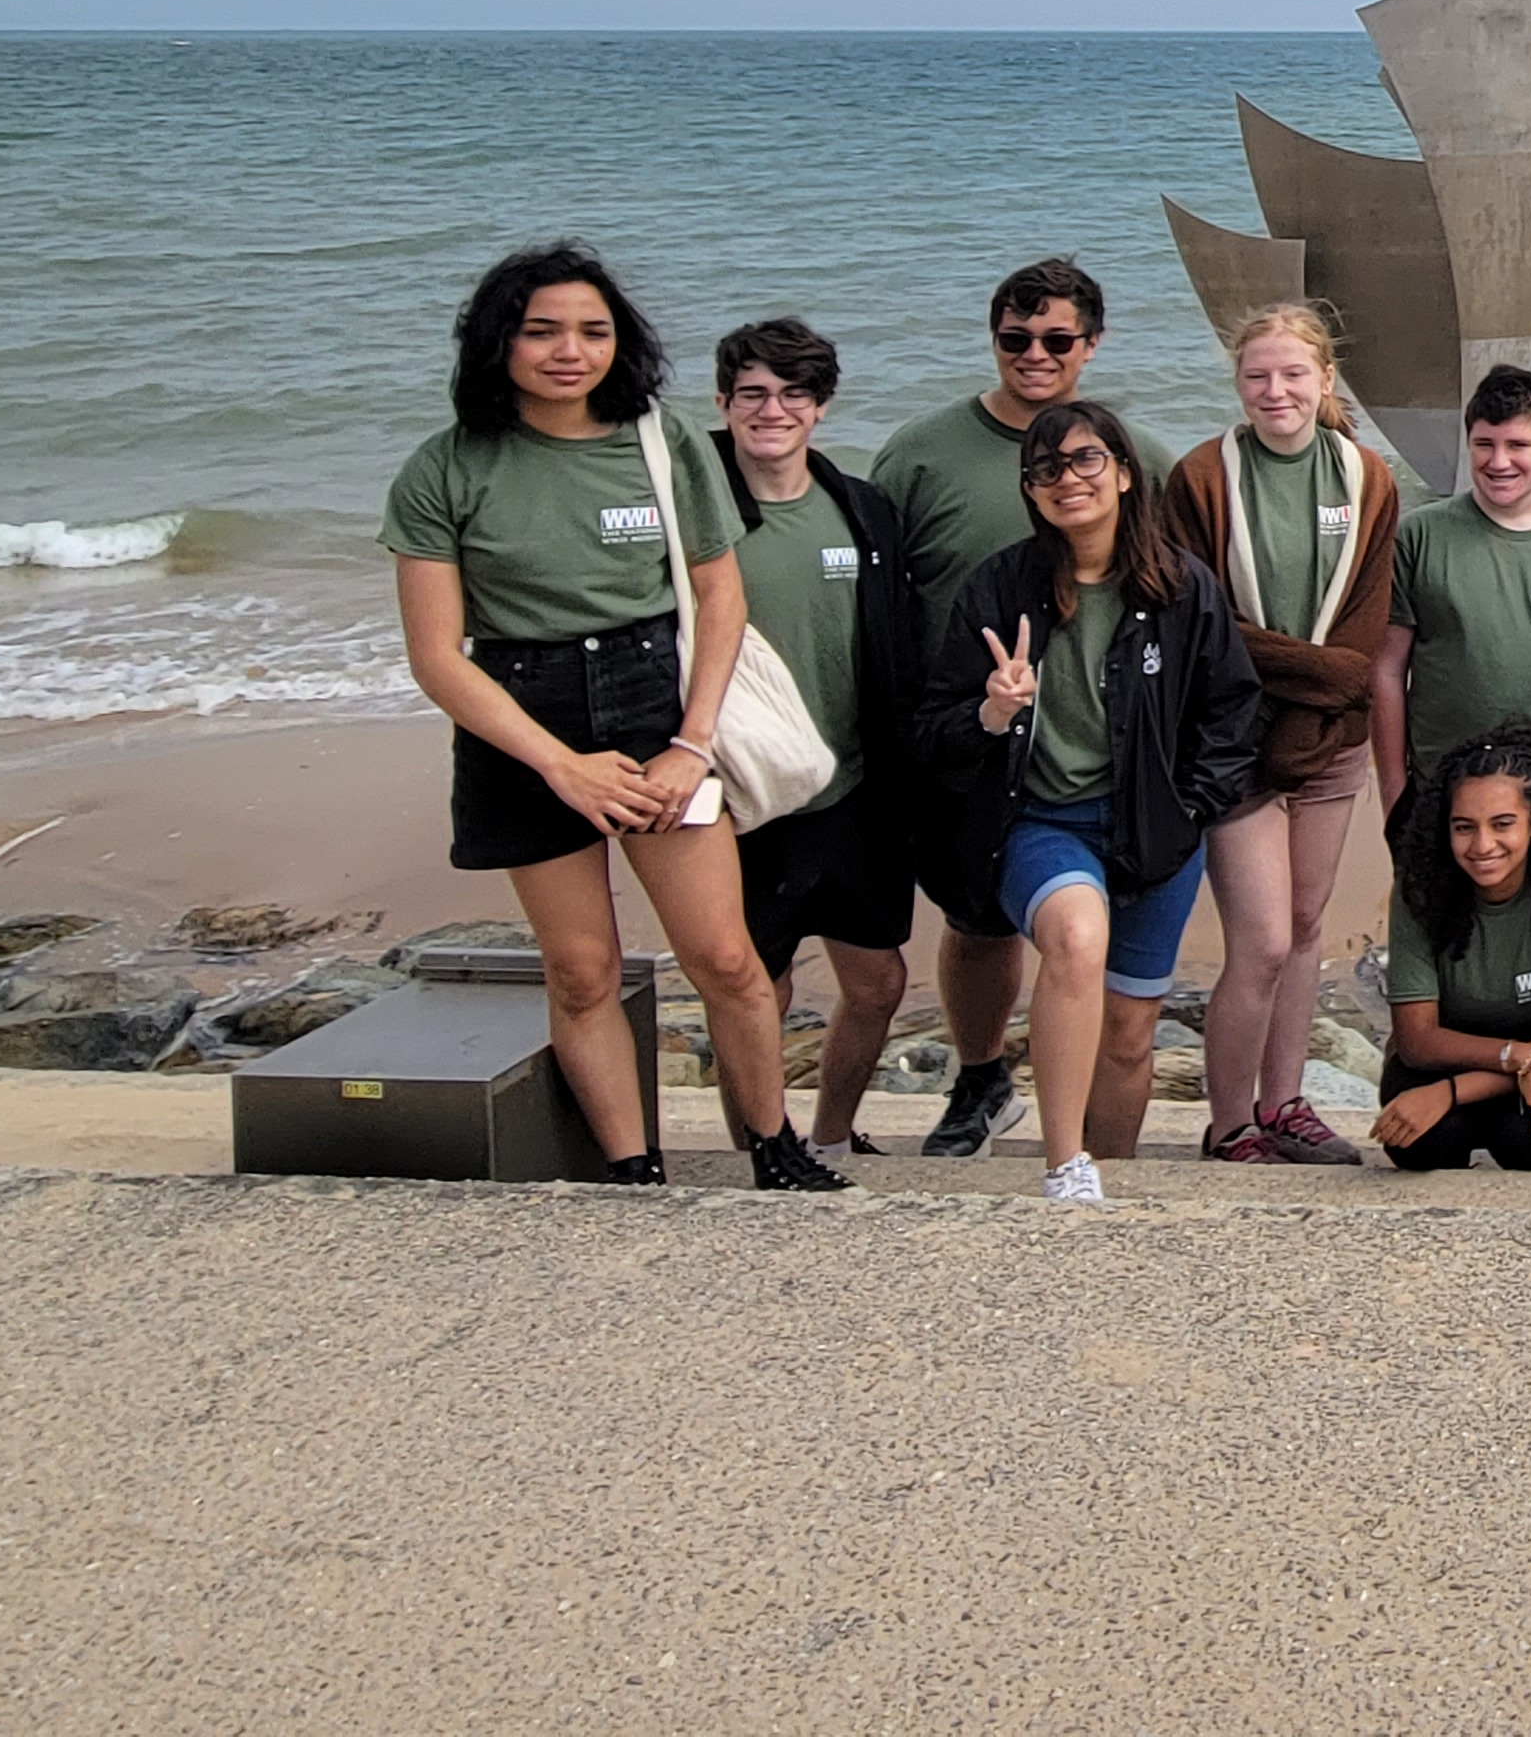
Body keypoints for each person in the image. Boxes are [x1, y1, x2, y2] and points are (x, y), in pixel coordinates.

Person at [383, 246, 840, 1191]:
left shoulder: (656, 441)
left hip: (653, 701)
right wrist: (560, 765)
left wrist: (690, 744)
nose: (569, 351)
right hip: (520, 722)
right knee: (582, 970)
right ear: (497, 340)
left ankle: (775, 1149)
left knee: (725, 956)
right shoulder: (445, 468)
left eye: (593, 331)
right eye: (542, 330)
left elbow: (720, 602)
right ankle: (633, 1171)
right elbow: (437, 656)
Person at [921, 401, 1261, 1204]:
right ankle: (1064, 1164)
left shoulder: (1180, 587)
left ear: (1122, 473)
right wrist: (991, 713)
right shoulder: (1000, 587)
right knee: (1075, 940)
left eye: (1084, 461)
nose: (1067, 480)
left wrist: (1188, 808)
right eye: (1046, 469)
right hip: (1042, 822)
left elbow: (1232, 712)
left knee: (1130, 1034)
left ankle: (1107, 1179)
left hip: (1152, 829)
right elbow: (934, 733)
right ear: (1031, 493)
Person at [867, 258, 1111, 1158]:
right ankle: (980, 1079)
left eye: (1056, 340)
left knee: (1088, 932)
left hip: (1091, 748)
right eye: (1016, 339)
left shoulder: (1126, 457)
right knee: (974, 921)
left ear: (1091, 344)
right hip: (964, 740)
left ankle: (1089, 1102)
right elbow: (876, 601)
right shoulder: (921, 452)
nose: (1035, 356)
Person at [1160, 304, 1404, 1167]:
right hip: (1236, 743)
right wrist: (1327, 677)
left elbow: (1366, 627)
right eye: (1259, 375)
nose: (1277, 391)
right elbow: (1205, 629)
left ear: (1325, 380)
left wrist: (1330, 686)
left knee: (1305, 930)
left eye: (1294, 374)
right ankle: (1228, 1125)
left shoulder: (1367, 478)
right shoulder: (1199, 478)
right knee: (1258, 941)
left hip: (1330, 745)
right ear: (1238, 383)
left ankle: (1286, 1102)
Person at [708, 316, 917, 1158]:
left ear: (820, 408)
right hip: (741, 791)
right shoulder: (698, 514)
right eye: (752, 393)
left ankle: (828, 1137)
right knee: (754, 983)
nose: (772, 409)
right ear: (723, 404)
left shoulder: (860, 509)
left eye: (793, 393)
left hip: (854, 788)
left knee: (878, 982)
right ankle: (762, 1144)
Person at [1372, 364, 1531, 803]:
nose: (1499, 461)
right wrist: (1394, 789)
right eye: (1483, 444)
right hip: (1440, 785)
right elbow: (1387, 670)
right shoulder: (1417, 536)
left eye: (1518, 445)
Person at [1371, 724, 1531, 1173]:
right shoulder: (1418, 892)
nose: (1483, 846)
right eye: (1464, 827)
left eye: (1503, 824)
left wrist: (1451, 1093)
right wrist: (1518, 1059)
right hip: (1450, 1050)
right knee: (1422, 1145)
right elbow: (1418, 1041)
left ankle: (1484, 1117)